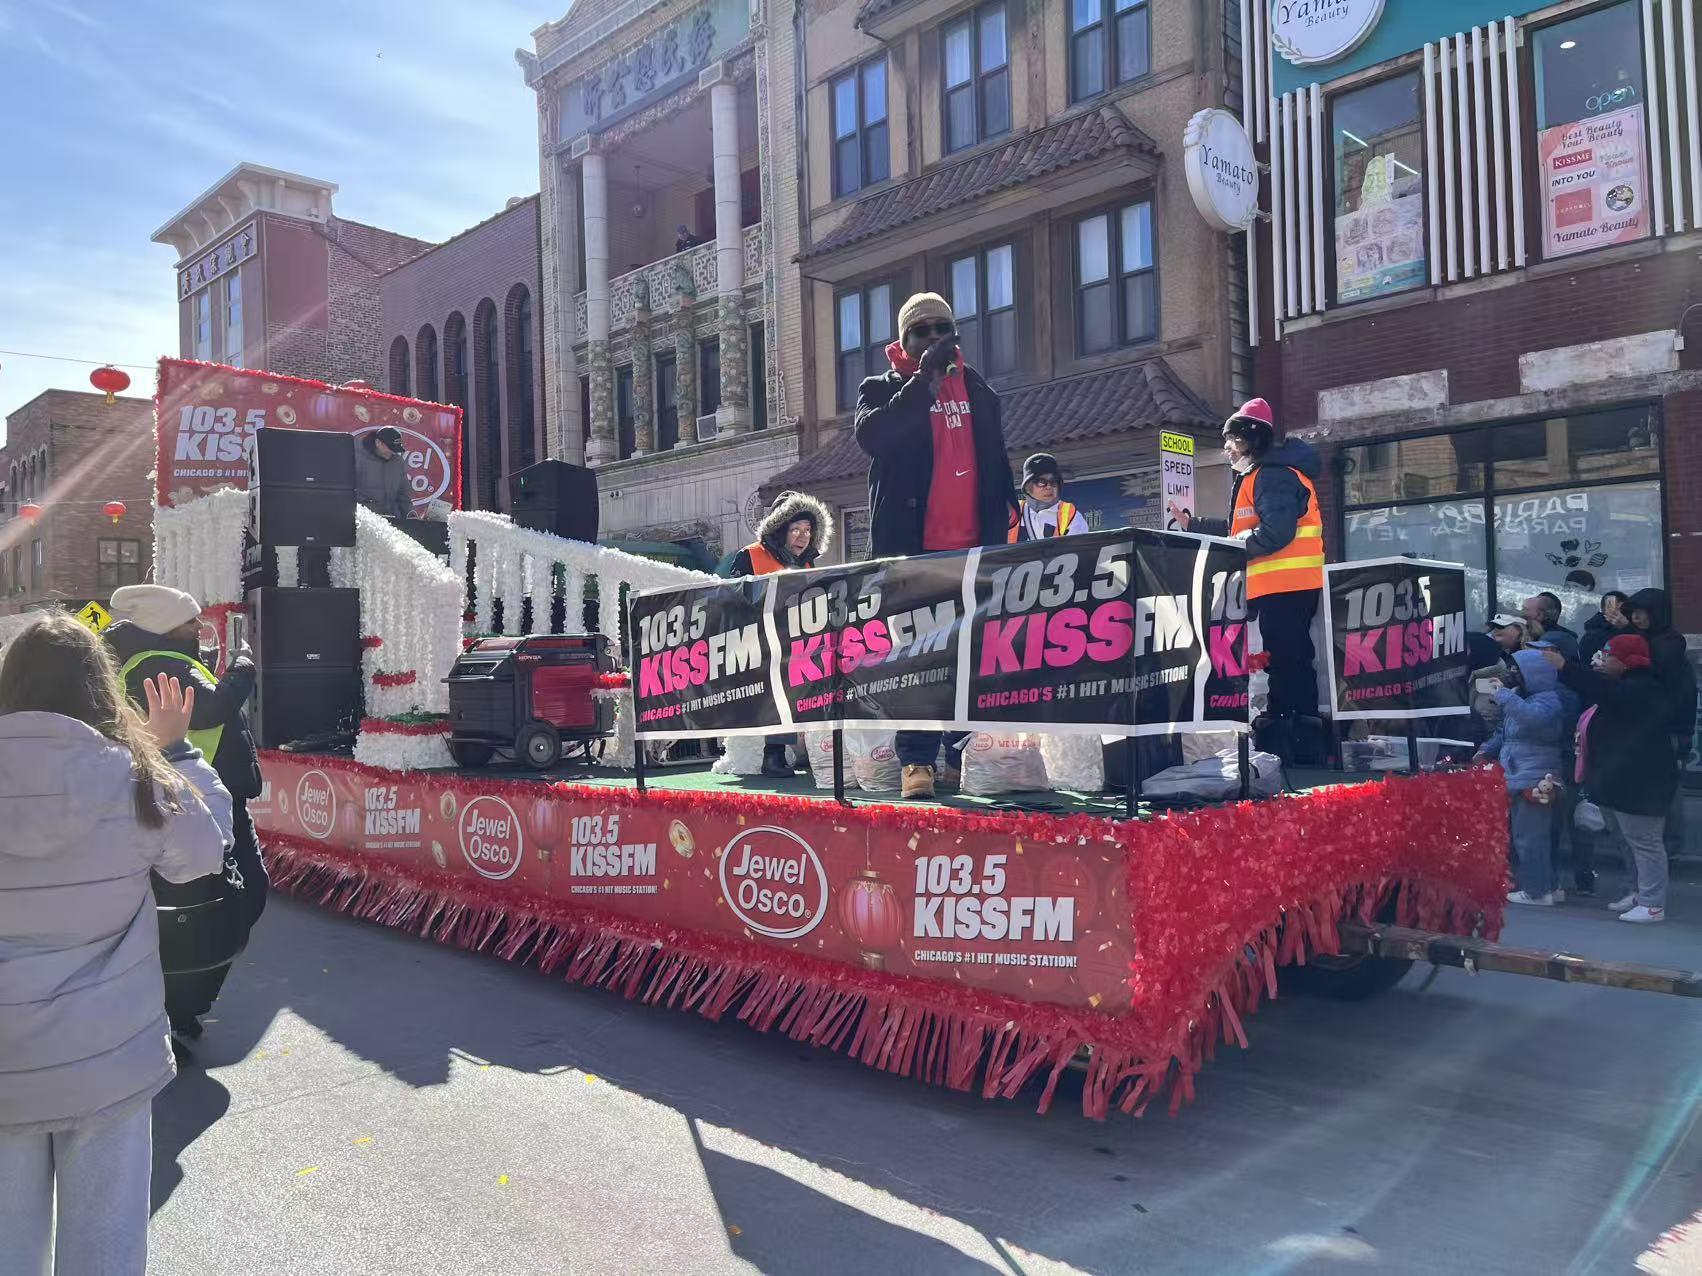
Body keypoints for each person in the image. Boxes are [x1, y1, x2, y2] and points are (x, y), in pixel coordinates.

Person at [0, 612, 231, 1273]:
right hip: (109, 1055)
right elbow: (201, 856)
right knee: (104, 1250)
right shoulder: (133, 778)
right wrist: (176, 751)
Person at [855, 291, 1015, 799]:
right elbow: (874, 438)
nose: (932, 338)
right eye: (919, 331)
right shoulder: (881, 388)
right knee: (919, 660)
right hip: (913, 551)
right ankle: (916, 761)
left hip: (973, 550)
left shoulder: (978, 389)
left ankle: (954, 753)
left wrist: (1007, 508)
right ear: (903, 340)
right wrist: (923, 379)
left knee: (968, 660)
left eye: (940, 328)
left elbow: (995, 457)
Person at [106, 583, 267, 1043]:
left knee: (218, 902)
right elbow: (211, 707)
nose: (200, 626)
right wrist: (243, 667)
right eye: (190, 620)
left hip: (197, 797)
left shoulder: (154, 658)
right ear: (164, 626)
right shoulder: (159, 663)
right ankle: (181, 1001)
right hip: (200, 800)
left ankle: (182, 1001)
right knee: (235, 899)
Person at [1170, 397, 1324, 762]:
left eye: (1232, 441)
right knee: (1288, 660)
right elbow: (1238, 528)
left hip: (1287, 587)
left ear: (1252, 439)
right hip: (1281, 587)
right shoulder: (1262, 475)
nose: (1227, 449)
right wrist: (1195, 525)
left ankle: (1291, 733)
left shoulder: (1273, 475)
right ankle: (1292, 727)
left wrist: (1233, 550)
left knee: (1289, 661)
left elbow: (1274, 533)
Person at [1549, 634, 1676, 923]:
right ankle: (1637, 891)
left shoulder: (1645, 687)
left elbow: (1605, 691)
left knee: (1645, 841)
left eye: (1609, 656)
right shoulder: (1623, 686)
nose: (1603, 661)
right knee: (1625, 839)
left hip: (1643, 784)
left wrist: (1565, 667)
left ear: (1627, 660)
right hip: (1618, 780)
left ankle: (1653, 902)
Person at [726, 491, 833, 777]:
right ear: (779, 529)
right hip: (760, 643)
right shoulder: (751, 555)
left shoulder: (808, 562)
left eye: (808, 531)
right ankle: (773, 756)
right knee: (777, 694)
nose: (802, 536)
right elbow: (733, 598)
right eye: (795, 529)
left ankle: (807, 751)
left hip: (798, 642)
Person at [1475, 648, 1567, 905]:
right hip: (1519, 771)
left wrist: (1503, 695)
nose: (1512, 674)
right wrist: (1486, 750)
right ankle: (1549, 885)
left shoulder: (1548, 700)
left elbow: (1531, 719)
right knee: (1530, 835)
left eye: (1517, 670)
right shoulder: (1519, 697)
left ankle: (1537, 892)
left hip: (1537, 776)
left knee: (1530, 837)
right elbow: (1506, 732)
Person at [1626, 587, 1698, 857]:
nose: (1636, 617)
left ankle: (1671, 841)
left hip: (1668, 725)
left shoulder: (1670, 641)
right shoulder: (1642, 638)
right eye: (1633, 612)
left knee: (1667, 783)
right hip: (1647, 723)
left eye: (1641, 612)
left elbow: (1661, 677)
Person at [1009, 453, 1088, 541]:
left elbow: (1076, 550)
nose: (1049, 487)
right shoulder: (1013, 513)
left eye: (1053, 481)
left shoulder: (1071, 516)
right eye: (1041, 482)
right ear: (1027, 487)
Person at [355, 425, 412, 519]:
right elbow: (347, 492)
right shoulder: (357, 458)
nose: (393, 452)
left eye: (396, 449)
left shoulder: (398, 462)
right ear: (378, 443)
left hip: (391, 519)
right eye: (390, 448)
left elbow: (403, 494)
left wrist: (410, 513)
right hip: (364, 520)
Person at [1521, 591, 1580, 664]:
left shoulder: (1553, 640)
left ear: (1540, 615)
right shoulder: (1528, 631)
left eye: (1525, 609)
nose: (1521, 613)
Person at [1578, 590, 1630, 667]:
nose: (1618, 614)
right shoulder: (1592, 636)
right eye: (1612, 608)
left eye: (1621, 610)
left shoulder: (1631, 629)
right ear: (1603, 610)